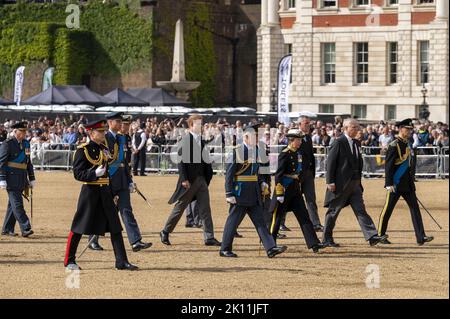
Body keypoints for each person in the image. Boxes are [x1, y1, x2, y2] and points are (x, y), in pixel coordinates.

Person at [63, 119, 138, 271]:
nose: (103, 133)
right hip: (90, 193)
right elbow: (77, 174)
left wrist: (111, 192)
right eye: (100, 131)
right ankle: (69, 261)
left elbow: (108, 172)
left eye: (104, 131)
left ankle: (121, 261)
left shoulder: (104, 149)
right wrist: (93, 173)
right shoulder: (82, 150)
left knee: (116, 228)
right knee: (78, 227)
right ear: (91, 133)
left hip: (105, 192)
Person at [88, 112, 152, 252]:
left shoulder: (122, 138)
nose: (121, 124)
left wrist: (130, 180)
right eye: (118, 121)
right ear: (110, 123)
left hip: (122, 180)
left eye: (121, 121)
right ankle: (93, 239)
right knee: (104, 211)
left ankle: (135, 241)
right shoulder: (105, 138)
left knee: (126, 210)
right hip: (109, 179)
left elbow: (124, 162)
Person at [220, 125, 287, 258]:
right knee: (232, 222)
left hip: (254, 191)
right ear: (246, 137)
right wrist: (229, 193)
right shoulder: (238, 151)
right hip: (240, 191)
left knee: (260, 221)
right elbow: (229, 173)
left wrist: (262, 182)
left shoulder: (257, 150)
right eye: (254, 136)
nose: (257, 138)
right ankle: (225, 248)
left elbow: (258, 170)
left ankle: (270, 247)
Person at [322, 119, 387, 247]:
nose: (357, 129)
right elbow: (330, 163)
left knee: (360, 210)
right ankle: (326, 238)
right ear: (346, 128)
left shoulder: (357, 143)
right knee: (333, 211)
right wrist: (330, 181)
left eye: (358, 127)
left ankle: (371, 236)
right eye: (354, 127)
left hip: (355, 184)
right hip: (341, 184)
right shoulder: (338, 142)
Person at [160, 115, 221, 246]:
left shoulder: (201, 140)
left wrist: (207, 177)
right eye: (198, 124)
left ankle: (209, 237)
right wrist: (184, 179)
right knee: (180, 207)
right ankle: (165, 231)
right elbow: (181, 162)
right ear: (191, 126)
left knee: (205, 209)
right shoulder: (185, 140)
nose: (201, 126)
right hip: (190, 181)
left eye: (201, 124)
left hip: (201, 180)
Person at [377, 119, 434, 245]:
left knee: (415, 209)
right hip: (395, 184)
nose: (408, 131)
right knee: (388, 209)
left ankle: (421, 237)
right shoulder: (394, 145)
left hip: (407, 184)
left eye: (410, 129)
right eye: (406, 129)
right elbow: (389, 166)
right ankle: (380, 235)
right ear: (400, 129)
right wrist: (388, 183)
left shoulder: (408, 144)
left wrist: (411, 180)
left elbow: (409, 165)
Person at [269, 129, 324, 253]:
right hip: (285, 189)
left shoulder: (299, 153)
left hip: (295, 189)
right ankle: (270, 244)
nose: (300, 142)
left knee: (304, 216)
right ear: (291, 140)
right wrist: (279, 192)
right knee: (277, 217)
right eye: (298, 140)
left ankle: (314, 243)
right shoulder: (285, 153)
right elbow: (279, 175)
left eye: (300, 140)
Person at [0, 122, 35, 237]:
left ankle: (7, 229)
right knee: (18, 204)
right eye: (22, 131)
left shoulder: (26, 144)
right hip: (10, 178)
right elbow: (2, 163)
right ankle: (25, 228)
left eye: (25, 131)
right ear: (15, 131)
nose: (24, 134)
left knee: (13, 205)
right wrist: (2, 178)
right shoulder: (7, 144)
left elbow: (28, 162)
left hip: (21, 178)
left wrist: (31, 177)